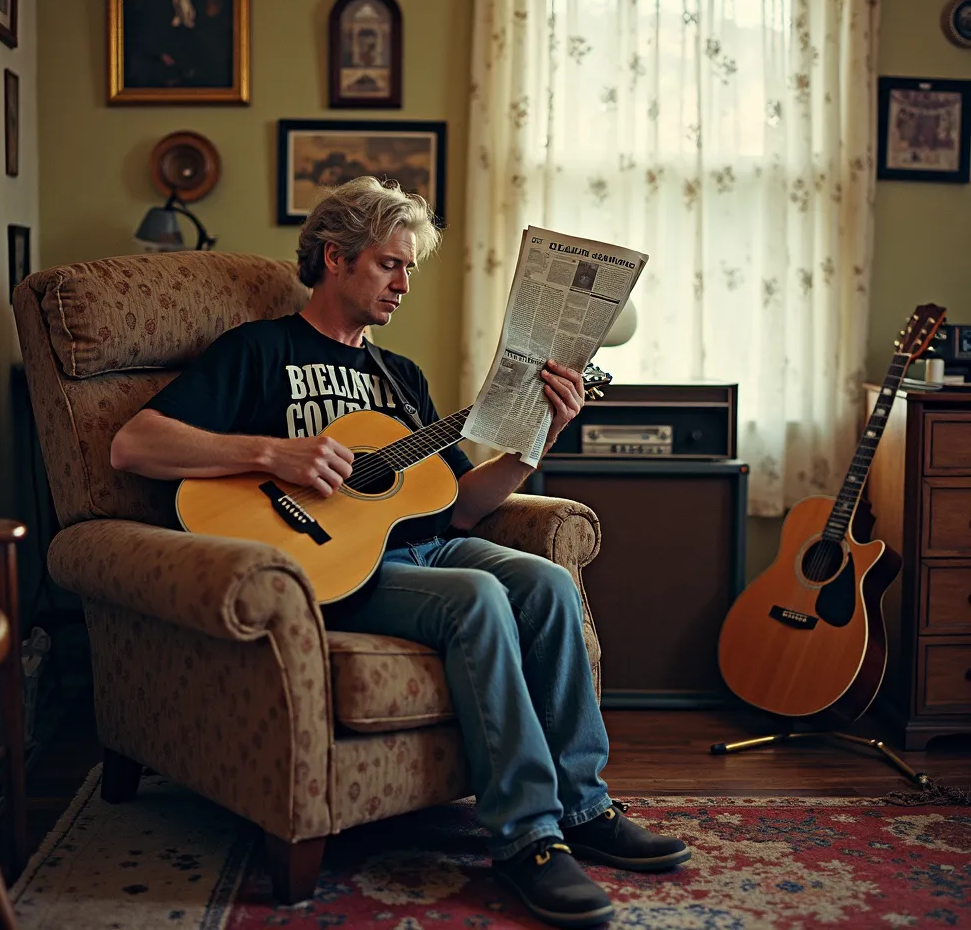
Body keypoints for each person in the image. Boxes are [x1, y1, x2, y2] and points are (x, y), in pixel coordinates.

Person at [110, 177, 691, 929]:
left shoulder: (400, 378)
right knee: (479, 600)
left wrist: (535, 438)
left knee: (545, 583)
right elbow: (133, 445)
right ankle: (527, 840)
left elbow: (461, 508)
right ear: (335, 258)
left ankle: (582, 806)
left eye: (409, 267)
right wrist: (273, 454)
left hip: (427, 552)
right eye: (390, 264)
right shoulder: (259, 351)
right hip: (329, 571)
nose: (405, 283)